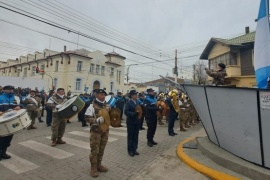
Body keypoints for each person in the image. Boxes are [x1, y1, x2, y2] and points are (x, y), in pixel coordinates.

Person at [85, 89, 110, 177]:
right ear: (96, 95)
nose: (102, 96)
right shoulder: (92, 106)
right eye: (101, 94)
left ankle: (99, 165)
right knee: (95, 150)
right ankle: (93, 168)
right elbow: (87, 118)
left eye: (104, 95)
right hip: (96, 132)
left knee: (102, 149)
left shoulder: (107, 105)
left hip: (105, 131)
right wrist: (97, 120)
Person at [0, 85, 21, 161]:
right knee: (1, 138)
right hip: (1, 121)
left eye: (11, 89)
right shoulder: (0, 97)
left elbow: (17, 106)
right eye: (9, 89)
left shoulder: (14, 98)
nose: (10, 91)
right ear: (4, 90)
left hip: (11, 120)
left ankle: (4, 153)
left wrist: (18, 107)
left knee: (8, 138)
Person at [124, 90, 140, 157]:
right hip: (131, 122)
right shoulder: (129, 103)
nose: (136, 96)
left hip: (136, 121)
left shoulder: (137, 102)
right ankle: (130, 150)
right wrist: (133, 114)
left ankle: (134, 149)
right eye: (135, 95)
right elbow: (126, 112)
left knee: (135, 136)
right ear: (132, 95)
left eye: (136, 94)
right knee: (130, 136)